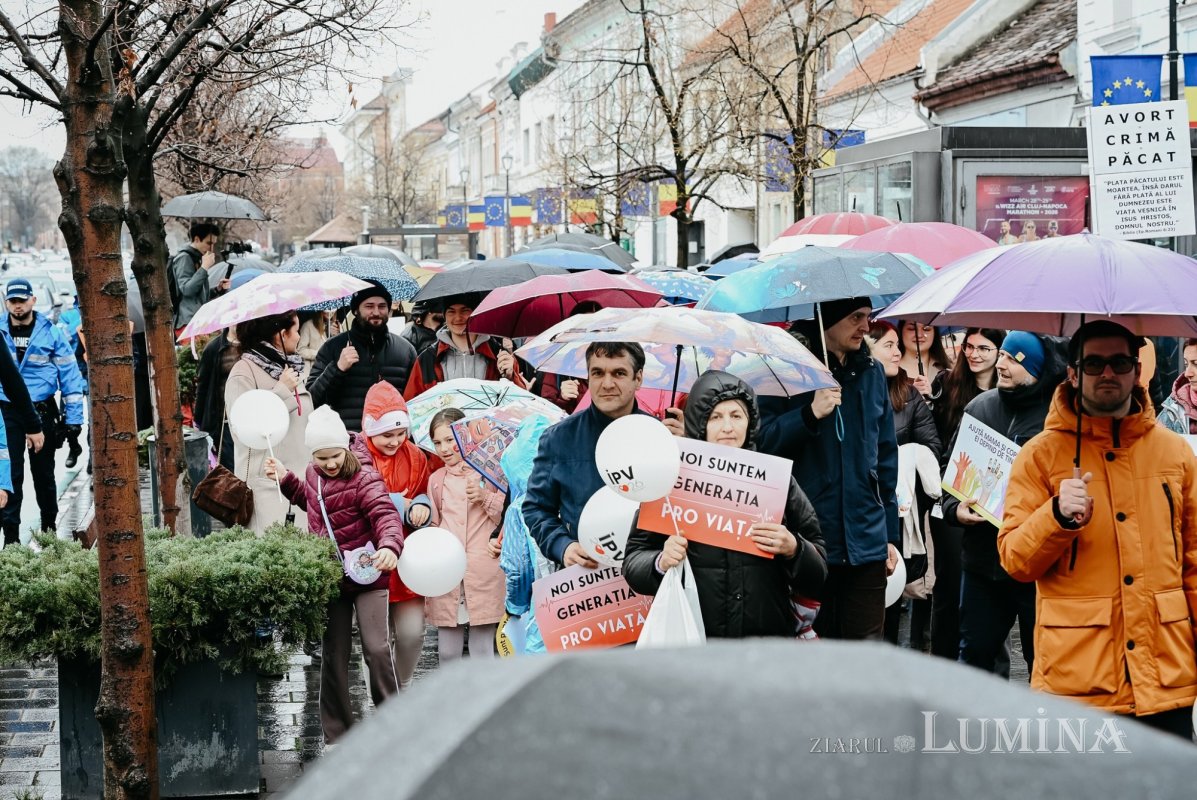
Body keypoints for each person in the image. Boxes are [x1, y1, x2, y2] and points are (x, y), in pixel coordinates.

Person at [999, 320, 1196, 741]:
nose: (1108, 373)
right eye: (1094, 363)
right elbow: (1015, 559)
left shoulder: (1175, 453)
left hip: (1165, 678)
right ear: (1072, 373)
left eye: (1119, 362)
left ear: (1137, 371)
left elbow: (1193, 566)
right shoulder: (1040, 455)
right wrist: (1056, 517)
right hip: (1079, 682)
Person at [623, 370, 828, 638]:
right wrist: (660, 561)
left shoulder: (777, 481)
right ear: (700, 423)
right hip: (695, 638)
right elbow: (633, 561)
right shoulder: (671, 479)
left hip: (765, 644)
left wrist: (795, 548)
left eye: (736, 416)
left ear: (750, 421)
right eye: (716, 417)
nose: (728, 427)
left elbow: (820, 573)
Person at [757, 298, 899, 640]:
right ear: (827, 320)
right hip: (808, 542)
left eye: (867, 317)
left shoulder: (872, 372)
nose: (866, 327)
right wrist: (809, 415)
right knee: (813, 656)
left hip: (866, 541)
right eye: (856, 318)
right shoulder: (782, 369)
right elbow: (762, 444)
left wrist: (890, 536)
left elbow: (884, 457)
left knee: (866, 658)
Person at [266, 406, 403, 745]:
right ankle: (338, 732)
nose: (329, 464)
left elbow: (385, 513)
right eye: (321, 458)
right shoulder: (313, 472)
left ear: (346, 448)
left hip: (369, 572)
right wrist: (286, 478)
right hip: (331, 575)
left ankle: (397, 723)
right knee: (334, 652)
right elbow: (309, 500)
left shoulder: (364, 477)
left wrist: (389, 546)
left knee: (376, 647)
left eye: (334, 457)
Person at [942, 331, 1066, 677]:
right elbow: (949, 472)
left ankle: (1042, 729)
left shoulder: (1057, 419)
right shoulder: (979, 407)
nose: (1002, 364)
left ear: (1036, 369)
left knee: (1043, 661)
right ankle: (977, 729)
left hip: (1036, 565)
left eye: (1013, 359)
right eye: (1003, 356)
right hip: (982, 563)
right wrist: (955, 509)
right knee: (976, 657)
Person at [526, 342, 675, 568]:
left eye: (619, 373)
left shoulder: (662, 438)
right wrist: (562, 545)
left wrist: (688, 443)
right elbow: (536, 508)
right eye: (598, 373)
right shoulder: (558, 438)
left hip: (649, 574)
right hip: (587, 577)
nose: (607, 384)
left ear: (639, 378)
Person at [925, 327, 1004, 660]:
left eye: (984, 348)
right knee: (950, 584)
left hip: (995, 498)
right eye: (969, 347)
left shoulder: (1009, 393)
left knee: (989, 591)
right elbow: (935, 438)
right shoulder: (948, 385)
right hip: (953, 492)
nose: (973, 354)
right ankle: (943, 658)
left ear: (1000, 353)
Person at [350, 381, 432, 690]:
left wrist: (422, 506)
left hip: (407, 556)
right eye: (387, 434)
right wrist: (400, 503)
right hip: (368, 554)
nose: (395, 441)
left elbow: (424, 491)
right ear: (370, 429)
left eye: (401, 433)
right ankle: (382, 692)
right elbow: (351, 502)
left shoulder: (416, 456)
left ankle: (402, 686)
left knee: (412, 633)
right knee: (376, 640)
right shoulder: (353, 456)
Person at [869, 321, 941, 647]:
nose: (898, 351)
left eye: (898, 344)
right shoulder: (849, 393)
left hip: (898, 512)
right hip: (862, 512)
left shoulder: (908, 394)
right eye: (888, 345)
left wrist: (907, 457)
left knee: (892, 602)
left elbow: (932, 448)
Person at [0, 278, 86, 539]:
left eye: (22, 301)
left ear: (32, 301)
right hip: (6, 412)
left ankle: (49, 530)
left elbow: (70, 377)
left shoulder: (51, 332)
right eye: (12, 302)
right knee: (9, 476)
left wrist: (73, 421)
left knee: (44, 477)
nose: (17, 307)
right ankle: (12, 540)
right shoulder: (1, 331)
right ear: (6, 303)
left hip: (41, 412)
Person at [425, 408, 506, 661]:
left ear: (465, 437)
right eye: (438, 442)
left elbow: (504, 519)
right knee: (448, 652)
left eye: (450, 440)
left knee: (482, 649)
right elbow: (434, 524)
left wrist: (485, 497)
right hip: (448, 573)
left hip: (482, 569)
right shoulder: (436, 479)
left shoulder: (491, 473)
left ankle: (486, 700)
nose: (444, 448)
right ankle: (453, 700)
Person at [224, 311, 310, 532]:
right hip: (267, 489)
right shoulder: (243, 372)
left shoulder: (290, 367)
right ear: (281, 334)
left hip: (299, 485)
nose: (299, 337)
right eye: (297, 330)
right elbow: (243, 429)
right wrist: (281, 390)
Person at [307, 280, 418, 432]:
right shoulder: (332, 347)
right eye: (369, 306)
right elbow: (312, 400)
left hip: (390, 443)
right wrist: (337, 368)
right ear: (355, 310)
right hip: (347, 442)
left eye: (382, 306)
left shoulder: (405, 350)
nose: (376, 312)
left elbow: (415, 401)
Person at [403, 293, 523, 400]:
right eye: (451, 311)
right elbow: (412, 403)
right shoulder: (427, 359)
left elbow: (521, 402)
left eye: (465, 310)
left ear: (476, 313)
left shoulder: (499, 355)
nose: (458, 318)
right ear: (444, 316)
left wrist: (511, 378)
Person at [170, 222, 228, 331]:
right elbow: (187, 290)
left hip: (198, 320)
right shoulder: (184, 258)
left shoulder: (197, 258)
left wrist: (217, 289)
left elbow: (198, 296)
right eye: (208, 243)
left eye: (214, 244)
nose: (211, 248)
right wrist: (204, 268)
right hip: (187, 323)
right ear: (196, 239)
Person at [898, 320, 948, 399]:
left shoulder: (947, 370)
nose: (919, 335)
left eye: (926, 329)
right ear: (901, 331)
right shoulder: (889, 371)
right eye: (911, 329)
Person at [1156, 338, 1197, 435]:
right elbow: (1154, 446)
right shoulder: (1174, 408)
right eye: (1186, 364)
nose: (1187, 373)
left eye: (1196, 364)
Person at [296, 311, 329, 379]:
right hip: (315, 372)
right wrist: (320, 353)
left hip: (330, 372)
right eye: (326, 310)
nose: (330, 311)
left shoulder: (337, 326)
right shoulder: (308, 325)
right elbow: (301, 350)